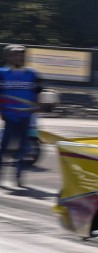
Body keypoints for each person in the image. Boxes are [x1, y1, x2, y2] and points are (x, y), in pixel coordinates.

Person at [0, 44, 42, 187]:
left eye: (22, 54)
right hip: (9, 116)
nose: (19, 57)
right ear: (7, 57)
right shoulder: (2, 73)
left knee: (23, 148)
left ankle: (18, 177)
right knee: (4, 148)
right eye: (15, 54)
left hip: (26, 117)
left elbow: (38, 92)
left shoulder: (32, 74)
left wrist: (37, 105)